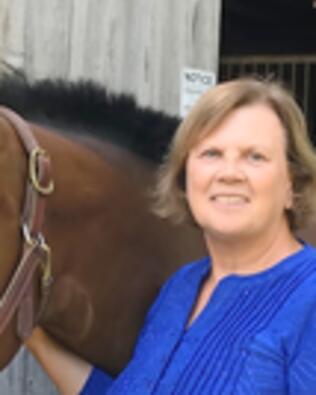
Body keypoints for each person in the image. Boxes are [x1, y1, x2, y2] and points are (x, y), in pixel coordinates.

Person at [25, 77, 316, 394]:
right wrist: (32, 331)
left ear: (292, 185)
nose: (229, 173)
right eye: (211, 154)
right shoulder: (182, 288)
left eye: (255, 156)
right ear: (185, 178)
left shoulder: (308, 298)